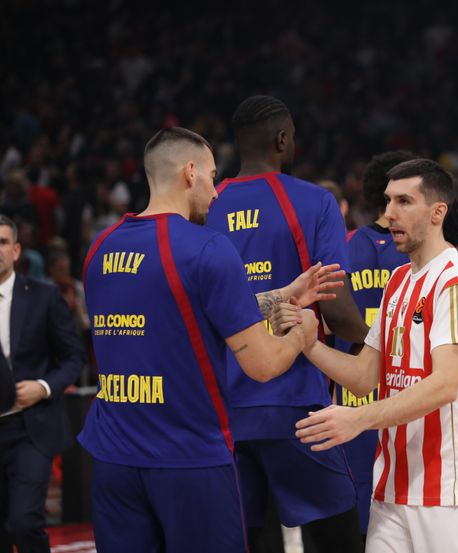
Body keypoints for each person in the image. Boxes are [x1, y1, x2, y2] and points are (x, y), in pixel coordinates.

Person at [77, 127, 319, 553]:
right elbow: (263, 365)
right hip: (188, 458)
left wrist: (280, 295)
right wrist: (303, 334)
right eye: (211, 175)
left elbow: (174, 310)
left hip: (114, 459)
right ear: (190, 172)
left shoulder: (100, 248)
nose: (215, 190)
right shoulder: (208, 248)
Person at [295, 159, 458, 552]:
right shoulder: (398, 280)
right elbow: (365, 376)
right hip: (394, 484)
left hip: (454, 489)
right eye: (388, 200)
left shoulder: (457, 279)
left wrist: (357, 418)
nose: (390, 212)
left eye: (404, 201)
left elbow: (444, 385)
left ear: (438, 212)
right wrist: (309, 345)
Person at [206, 95, 367, 552]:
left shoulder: (205, 207)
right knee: (339, 540)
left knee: (252, 540)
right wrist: (370, 340)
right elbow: (337, 310)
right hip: (295, 404)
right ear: (282, 139)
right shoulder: (314, 201)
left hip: (223, 409)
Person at [332, 150, 415, 538]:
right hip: (404, 388)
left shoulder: (346, 245)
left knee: (363, 501)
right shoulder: (421, 255)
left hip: (358, 390)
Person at [0, 214, 85, 553]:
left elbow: (74, 357)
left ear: (17, 250)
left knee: (24, 521)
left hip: (30, 427)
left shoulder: (43, 296)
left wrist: (44, 387)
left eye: (3, 242)